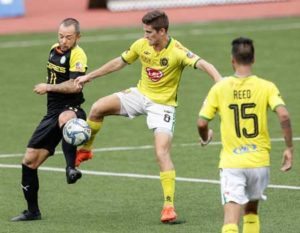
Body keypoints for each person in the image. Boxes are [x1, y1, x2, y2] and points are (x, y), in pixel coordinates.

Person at [74, 10, 222, 223]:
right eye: (144, 31)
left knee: (161, 153)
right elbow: (119, 62)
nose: (146, 36)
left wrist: (220, 81)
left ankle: (169, 207)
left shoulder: (178, 51)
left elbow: (205, 65)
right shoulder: (141, 45)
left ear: (163, 31)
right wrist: (90, 76)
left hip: (163, 106)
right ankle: (86, 150)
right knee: (97, 108)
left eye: (150, 32)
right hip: (140, 94)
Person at [197, 37, 293, 233]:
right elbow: (283, 114)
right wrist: (289, 148)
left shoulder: (220, 88)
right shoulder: (267, 86)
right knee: (251, 213)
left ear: (232, 60)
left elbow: (202, 121)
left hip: (232, 163)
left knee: (230, 221)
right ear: (253, 59)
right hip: (259, 162)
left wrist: (206, 136)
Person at [11, 18, 88, 221]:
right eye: (61, 36)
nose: (63, 41)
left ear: (78, 37)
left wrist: (48, 87)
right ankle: (32, 211)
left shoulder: (78, 55)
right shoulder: (53, 49)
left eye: (68, 37)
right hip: (51, 113)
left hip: (72, 109)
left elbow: (75, 85)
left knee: (66, 118)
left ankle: (71, 168)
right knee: (29, 161)